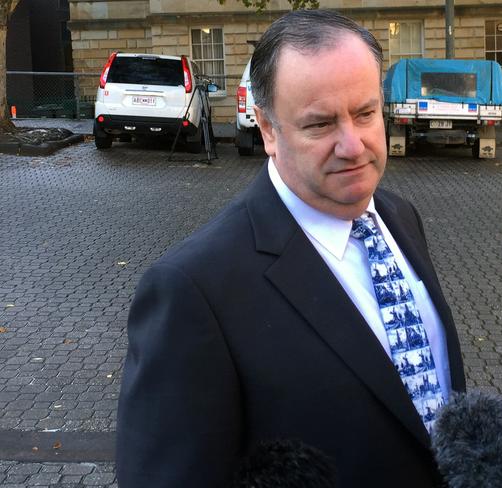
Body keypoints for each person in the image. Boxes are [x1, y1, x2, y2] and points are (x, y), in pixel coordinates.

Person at [116, 10, 466, 488]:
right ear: (267, 129)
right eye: (320, 125)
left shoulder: (400, 216)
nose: (353, 144)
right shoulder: (192, 290)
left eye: (366, 113)